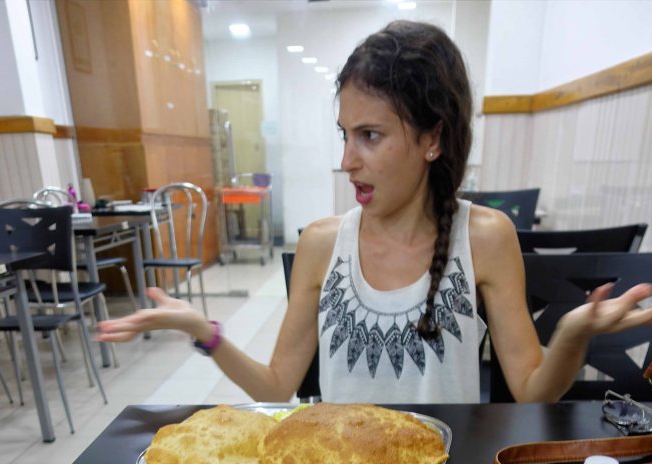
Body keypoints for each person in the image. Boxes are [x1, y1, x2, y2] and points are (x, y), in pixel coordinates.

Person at [96, 20, 652, 404]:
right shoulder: (322, 244)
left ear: (433, 137)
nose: (347, 161)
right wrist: (202, 329)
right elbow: (275, 388)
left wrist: (574, 334)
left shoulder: (483, 236)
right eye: (344, 135)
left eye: (369, 136)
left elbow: (533, 390)